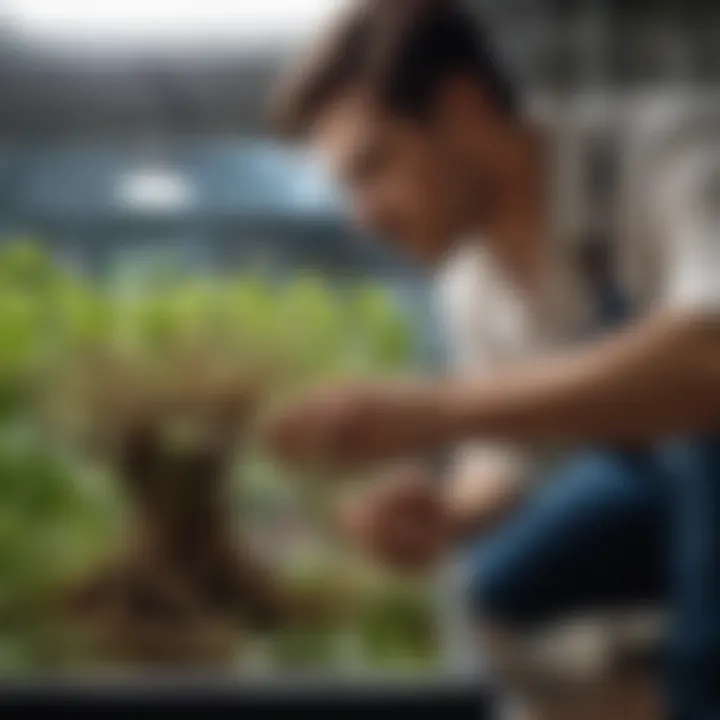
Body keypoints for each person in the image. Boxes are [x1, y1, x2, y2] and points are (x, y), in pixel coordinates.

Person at [265, 1, 720, 718]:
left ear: (466, 106)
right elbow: (500, 456)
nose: (365, 215)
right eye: (348, 187)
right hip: (657, 473)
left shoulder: (676, 147)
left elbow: (708, 361)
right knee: (494, 589)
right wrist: (449, 510)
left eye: (373, 166)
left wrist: (431, 410)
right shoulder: (470, 282)